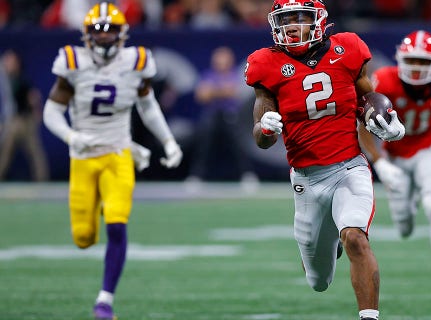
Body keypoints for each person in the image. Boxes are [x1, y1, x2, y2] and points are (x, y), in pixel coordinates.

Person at [245, 1, 405, 319]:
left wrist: (388, 121)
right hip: (306, 178)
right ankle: (326, 242)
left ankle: (369, 316)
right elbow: (262, 140)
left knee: (355, 238)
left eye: (298, 19)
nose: (290, 26)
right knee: (318, 281)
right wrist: (265, 128)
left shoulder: (348, 49)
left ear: (318, 21)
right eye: (284, 20)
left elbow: (367, 98)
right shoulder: (266, 64)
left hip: (349, 167)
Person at [42, 3, 182, 319]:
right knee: (83, 238)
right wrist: (70, 136)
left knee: (117, 225)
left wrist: (168, 140)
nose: (104, 40)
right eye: (97, 33)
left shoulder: (136, 62)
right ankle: (100, 204)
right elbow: (51, 111)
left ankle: (104, 301)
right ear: (86, 35)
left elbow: (148, 107)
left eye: (110, 33)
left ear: (123, 35)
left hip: (118, 155)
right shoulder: (73, 62)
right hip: (83, 156)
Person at [358, 30, 431, 307]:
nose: (418, 67)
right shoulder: (384, 79)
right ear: (401, 58)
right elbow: (362, 126)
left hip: (427, 150)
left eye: (423, 61)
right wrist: (380, 163)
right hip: (394, 155)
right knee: (405, 228)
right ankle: (408, 202)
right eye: (413, 60)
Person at [187, 46, 257, 186]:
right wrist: (221, 91)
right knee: (204, 141)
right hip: (212, 115)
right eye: (219, 58)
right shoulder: (208, 75)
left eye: (224, 58)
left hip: (230, 116)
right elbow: (201, 96)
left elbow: (233, 93)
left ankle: (247, 175)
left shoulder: (235, 75)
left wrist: (213, 91)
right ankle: (196, 176)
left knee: (239, 145)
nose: (221, 61)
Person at [0, 49, 49, 181]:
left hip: (26, 120)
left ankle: (42, 179)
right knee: (6, 152)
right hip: (13, 121)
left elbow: (34, 97)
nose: (9, 64)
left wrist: (37, 113)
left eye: (12, 61)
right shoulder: (5, 81)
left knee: (35, 152)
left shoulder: (22, 79)